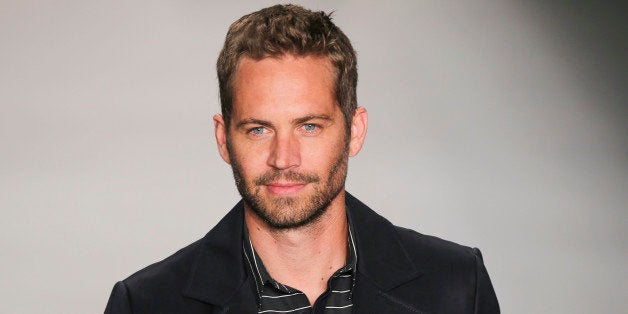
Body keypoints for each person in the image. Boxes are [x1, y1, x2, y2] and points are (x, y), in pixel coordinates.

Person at [105, 4, 499, 313]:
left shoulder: (458, 287)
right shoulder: (146, 304)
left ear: (354, 131)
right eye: (258, 129)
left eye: (309, 126)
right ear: (224, 139)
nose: (283, 158)